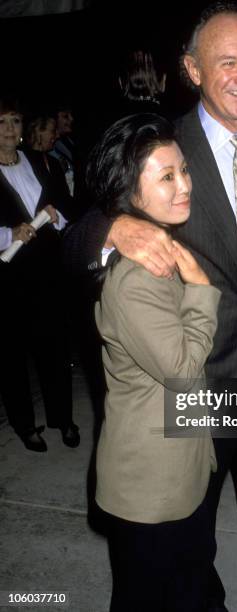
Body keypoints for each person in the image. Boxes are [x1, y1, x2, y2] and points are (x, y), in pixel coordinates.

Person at [64, 4, 237, 611]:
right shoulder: (163, 144)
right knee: (192, 507)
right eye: (227, 60)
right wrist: (111, 228)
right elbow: (74, 234)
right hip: (195, 373)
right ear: (191, 69)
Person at [88, 113, 221, 611]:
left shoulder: (161, 251)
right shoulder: (137, 280)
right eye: (166, 176)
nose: (185, 184)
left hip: (174, 465)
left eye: (183, 170)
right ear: (130, 192)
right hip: (149, 486)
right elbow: (184, 374)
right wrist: (203, 293)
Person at [0, 95, 79, 451]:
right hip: (9, 278)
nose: (9, 129)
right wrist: (7, 234)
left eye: (15, 121)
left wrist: (55, 215)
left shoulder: (39, 161)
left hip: (48, 272)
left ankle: (63, 419)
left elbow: (65, 208)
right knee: (12, 354)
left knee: (55, 349)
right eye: (1, 122)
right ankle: (24, 424)